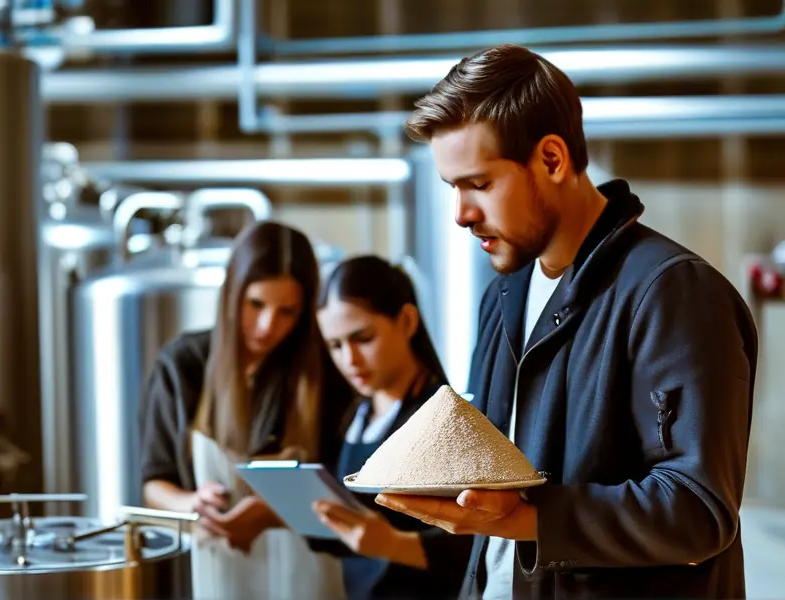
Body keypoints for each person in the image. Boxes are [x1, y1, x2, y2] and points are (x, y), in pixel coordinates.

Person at [374, 44, 758, 599]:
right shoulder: (502, 295)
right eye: (452, 188)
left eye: (479, 184)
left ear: (552, 159)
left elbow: (697, 513)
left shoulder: (672, 292)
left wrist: (527, 518)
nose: (461, 214)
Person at [138, 220, 353, 597]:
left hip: (309, 578)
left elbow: (349, 487)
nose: (267, 326)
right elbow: (154, 484)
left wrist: (278, 511)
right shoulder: (183, 365)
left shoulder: (327, 372)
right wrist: (193, 502)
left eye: (287, 312)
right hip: (212, 569)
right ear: (231, 294)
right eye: (256, 304)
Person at [308, 255, 473, 600]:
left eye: (363, 338)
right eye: (335, 346)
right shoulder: (353, 416)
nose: (349, 360)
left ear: (407, 321)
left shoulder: (445, 420)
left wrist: (394, 544)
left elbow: (474, 543)